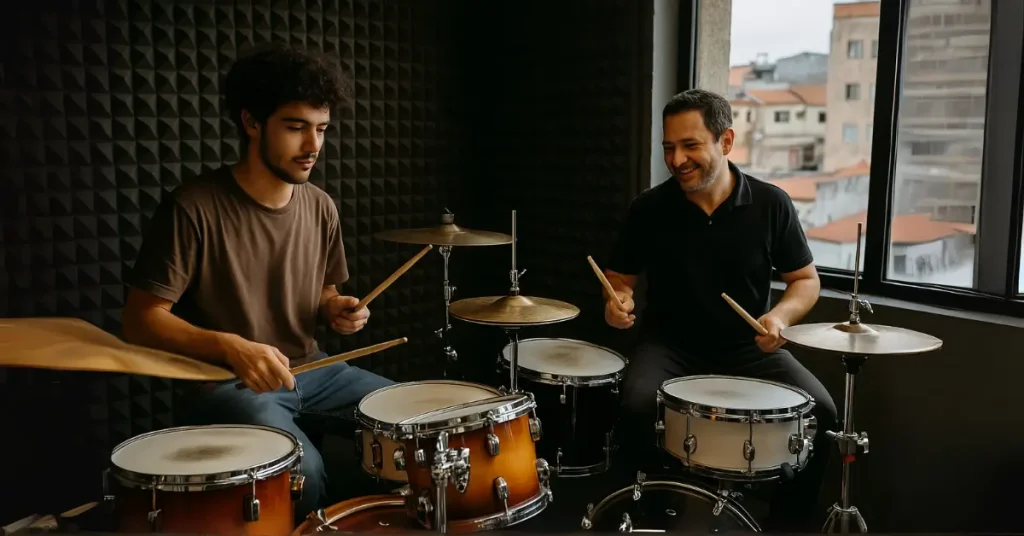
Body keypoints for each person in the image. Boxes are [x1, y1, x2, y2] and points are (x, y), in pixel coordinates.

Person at [121, 44, 394, 522]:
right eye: (295, 128)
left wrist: (336, 308)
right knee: (300, 472)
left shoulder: (321, 206)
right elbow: (141, 321)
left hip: (317, 369)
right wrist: (232, 347)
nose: (313, 146)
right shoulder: (193, 207)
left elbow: (324, 291)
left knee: (412, 422)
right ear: (251, 122)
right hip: (232, 384)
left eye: (321, 129)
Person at [602, 89, 837, 531]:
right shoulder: (649, 208)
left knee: (821, 411)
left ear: (725, 142)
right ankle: (653, 518)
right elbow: (620, 279)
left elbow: (805, 281)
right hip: (669, 345)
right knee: (635, 406)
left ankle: (786, 525)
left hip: (747, 347)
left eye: (691, 145)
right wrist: (618, 303)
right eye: (669, 147)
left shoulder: (771, 204)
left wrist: (781, 318)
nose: (677, 159)